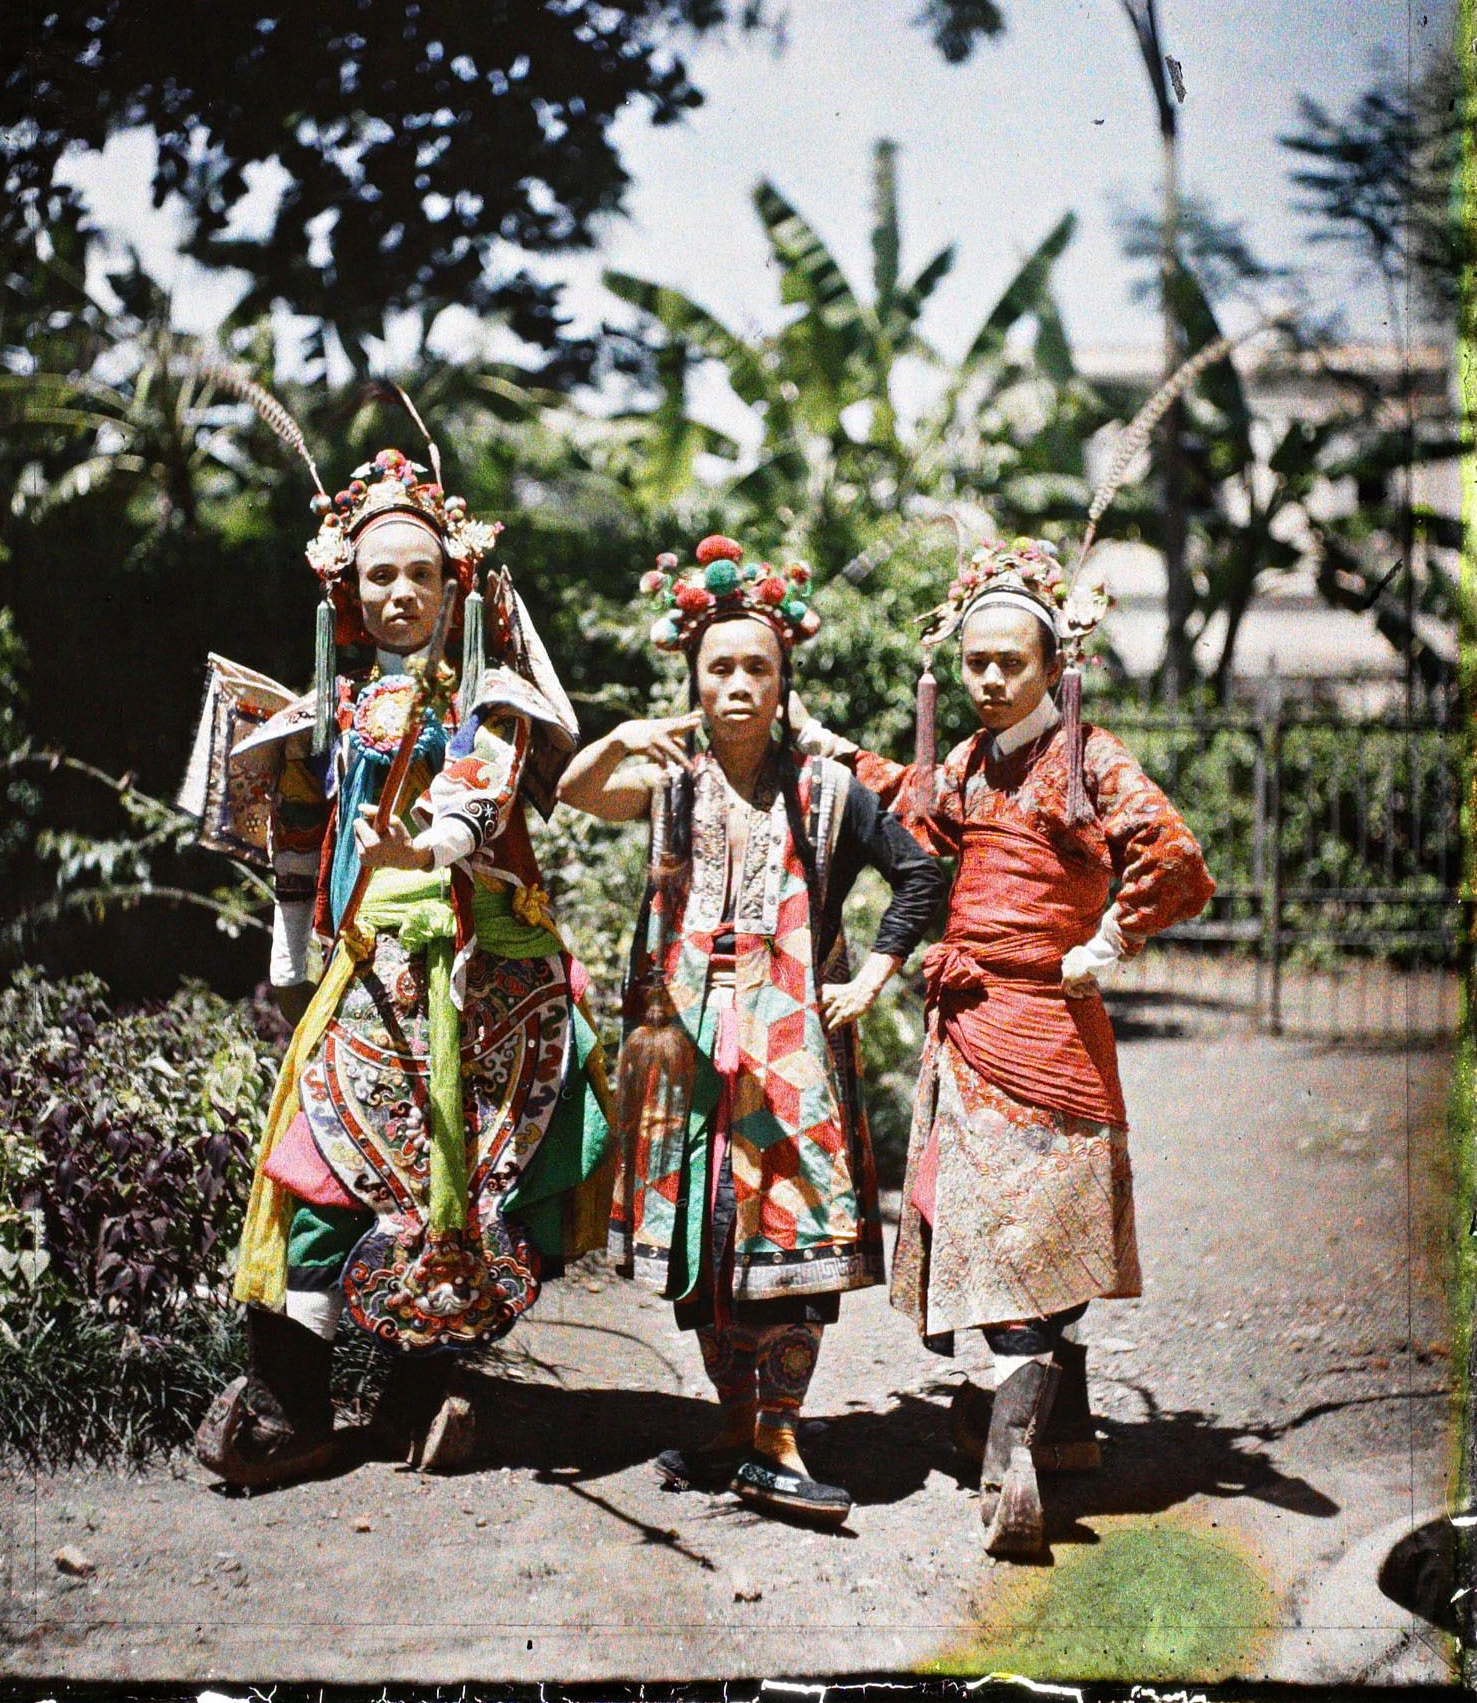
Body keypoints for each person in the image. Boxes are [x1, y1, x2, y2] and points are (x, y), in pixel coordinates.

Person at [192, 429, 612, 1490]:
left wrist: (424, 846)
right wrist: (293, 964)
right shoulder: (321, 707)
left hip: (471, 978)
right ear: (347, 581)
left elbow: (481, 795)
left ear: (454, 583)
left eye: (419, 572)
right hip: (360, 968)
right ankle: (301, 1400)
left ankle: (421, 1387)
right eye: (379, 572)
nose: (397, 592)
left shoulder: (489, 701)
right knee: (324, 1172)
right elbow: (297, 841)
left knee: (451, 1184)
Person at [796, 534, 1215, 1557]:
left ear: (1050, 666)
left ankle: (1012, 1446)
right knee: (995, 1225)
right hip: (972, 1024)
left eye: (1009, 662)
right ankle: (1046, 1425)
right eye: (975, 661)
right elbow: (909, 804)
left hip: (1054, 1024)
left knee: (1043, 1224)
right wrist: (819, 738)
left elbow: (1174, 852)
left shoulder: (1090, 758)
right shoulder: (967, 765)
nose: (988, 678)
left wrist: (1109, 937)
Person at [556, 536, 943, 1528]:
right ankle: (735, 1423)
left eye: (756, 667)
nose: (737, 684)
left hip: (787, 1063)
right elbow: (573, 793)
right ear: (693, 678)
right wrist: (620, 736)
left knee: (783, 1239)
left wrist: (872, 972)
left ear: (783, 682)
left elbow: (919, 871)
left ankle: (777, 1437)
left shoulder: (824, 790)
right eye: (719, 667)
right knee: (703, 1242)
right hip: (682, 1052)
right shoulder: (667, 781)